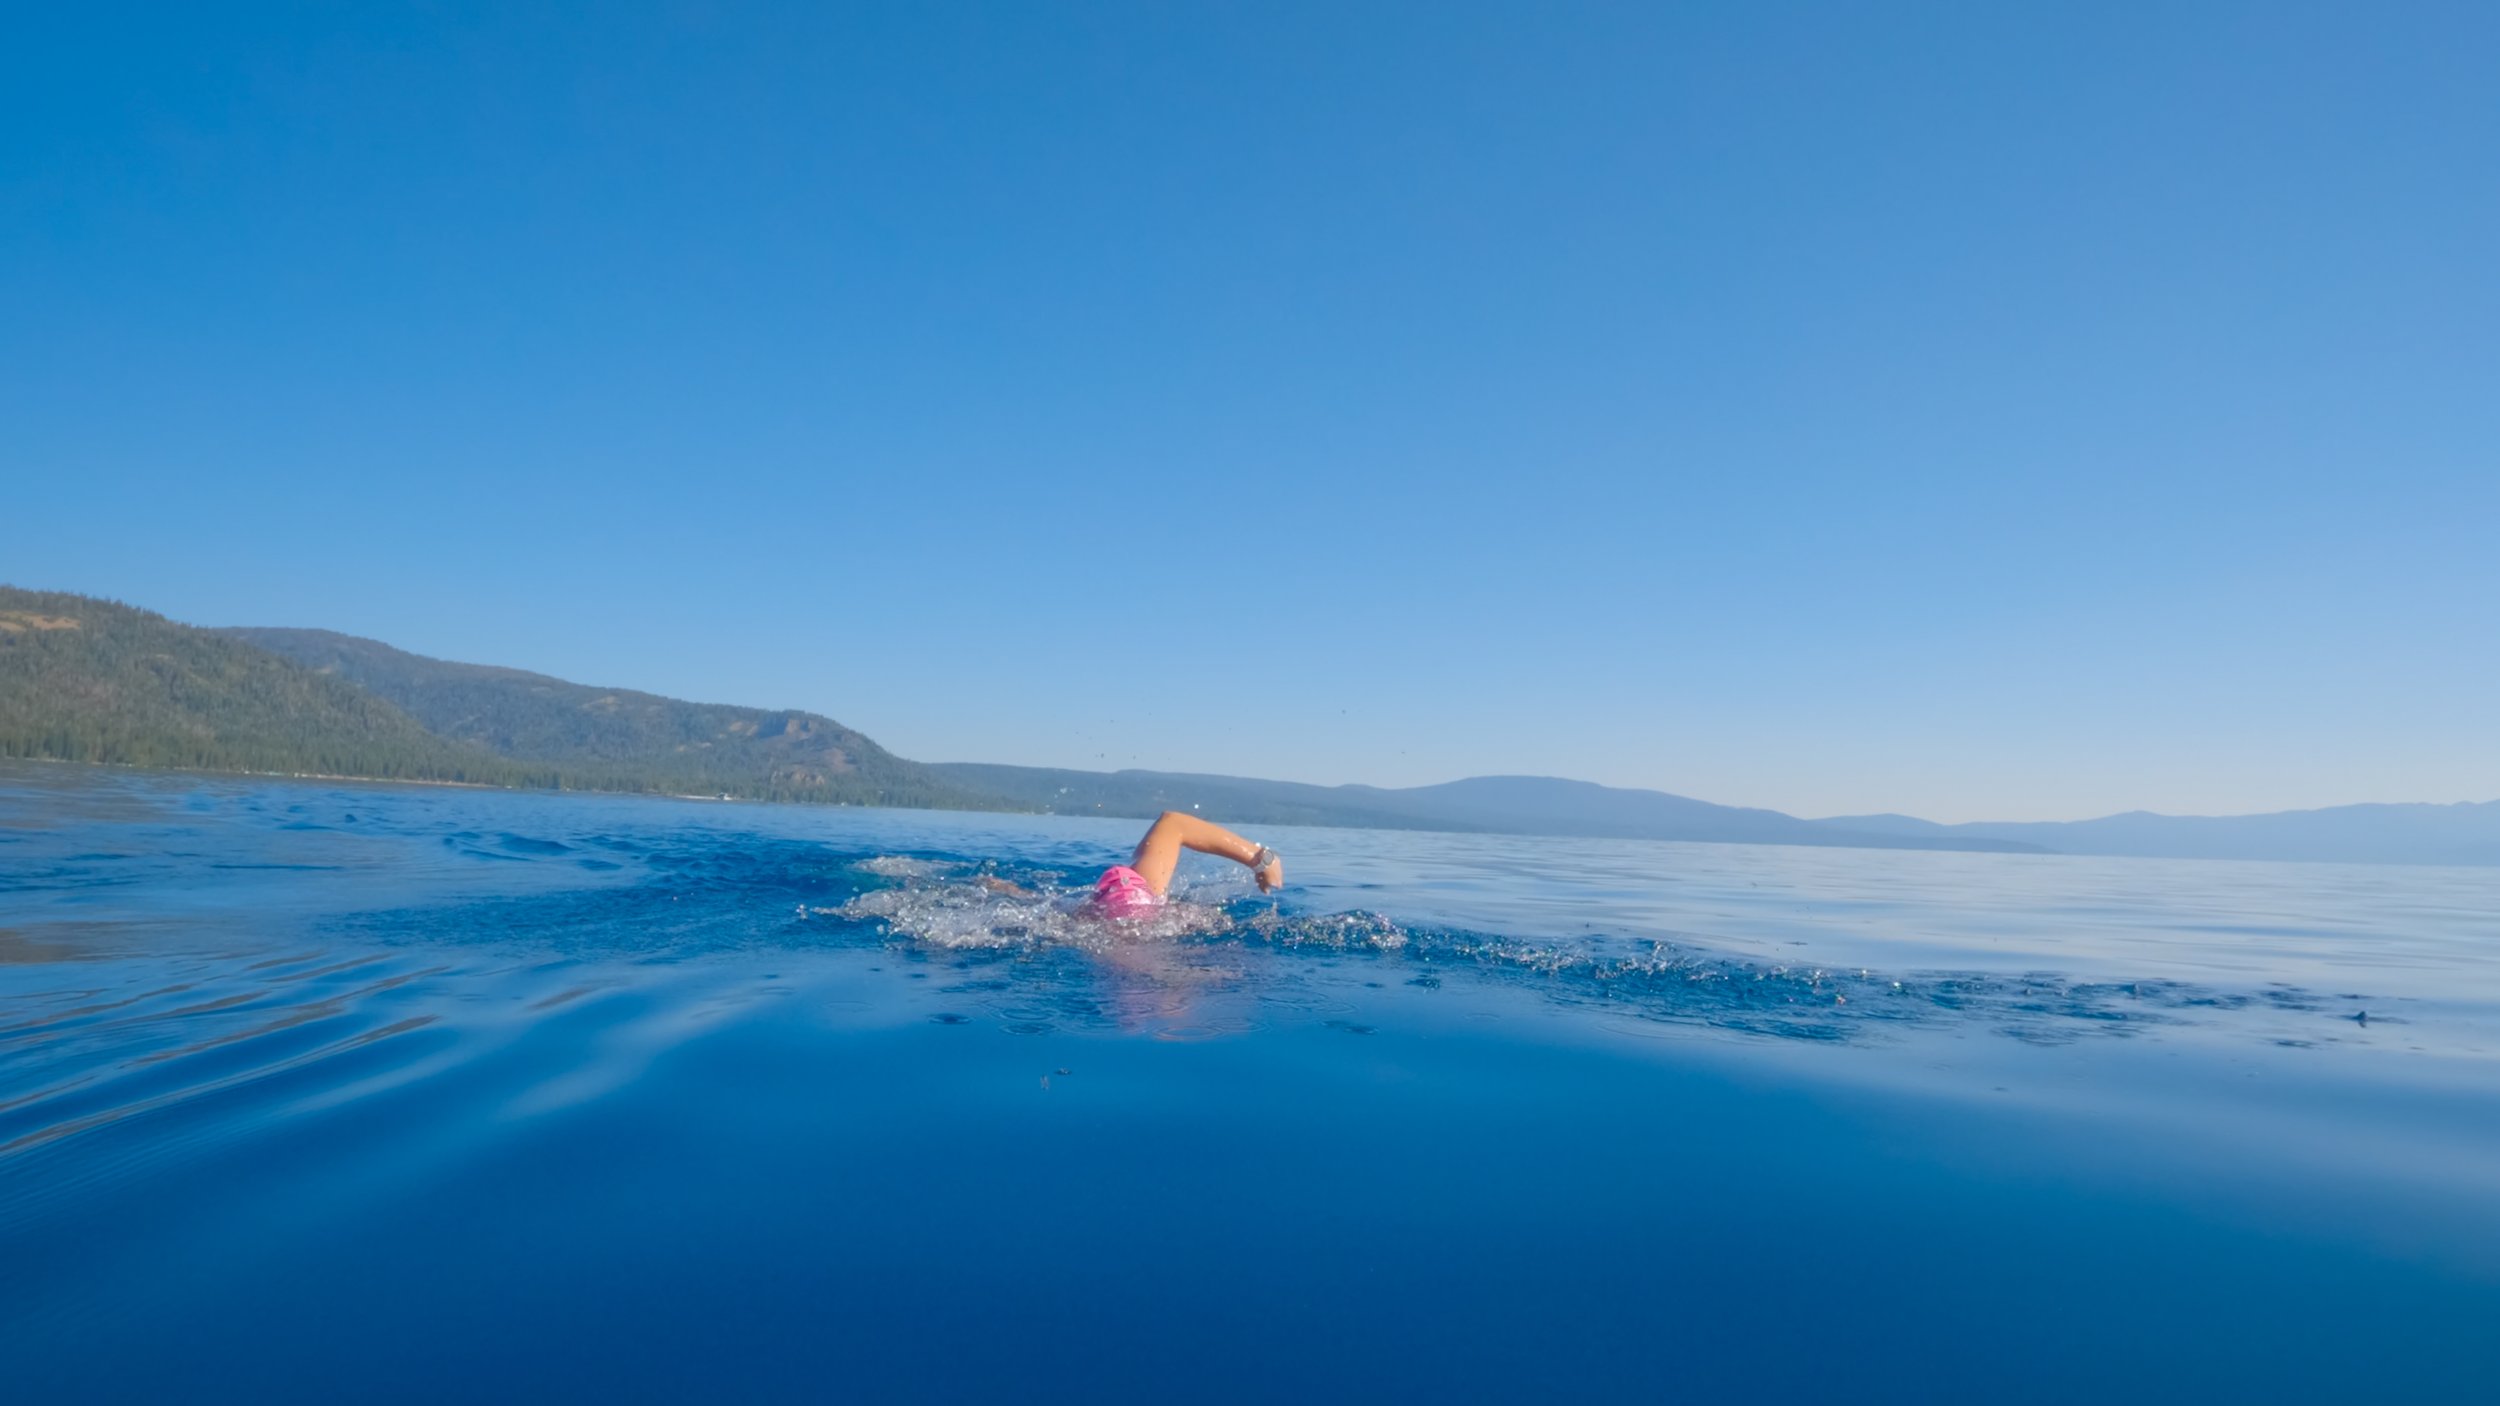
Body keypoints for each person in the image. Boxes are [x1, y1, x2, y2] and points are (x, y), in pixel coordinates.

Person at [1091, 811, 1282, 918]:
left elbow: (1172, 823)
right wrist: (1259, 858)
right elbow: (1173, 823)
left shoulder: (1141, 902)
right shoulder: (1142, 905)